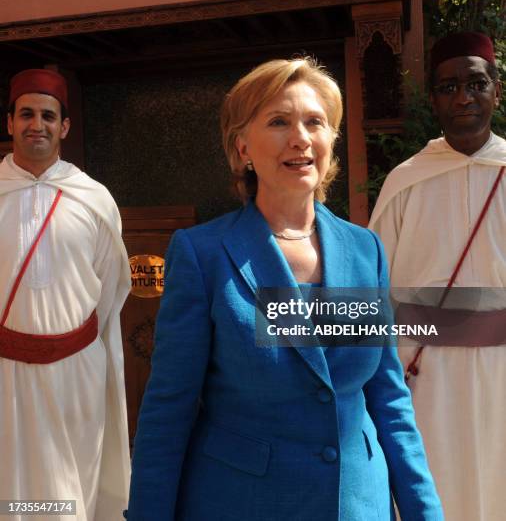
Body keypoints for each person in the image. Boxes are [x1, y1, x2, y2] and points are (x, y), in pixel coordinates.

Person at [127, 58, 442, 520]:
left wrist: (424, 512)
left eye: (315, 122)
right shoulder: (205, 254)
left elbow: (389, 400)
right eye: (278, 121)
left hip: (355, 504)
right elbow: (169, 406)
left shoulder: (363, 251)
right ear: (242, 148)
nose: (300, 137)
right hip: (244, 503)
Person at [369, 32, 505, 521]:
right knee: (433, 494)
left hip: (502, 372)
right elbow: (373, 289)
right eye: (448, 87)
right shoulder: (406, 180)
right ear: (433, 99)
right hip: (425, 375)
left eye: (476, 83)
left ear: (496, 89)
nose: (463, 97)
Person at [0, 69, 131, 520]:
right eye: (27, 115)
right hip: (4, 374)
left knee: (73, 483)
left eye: (48, 116)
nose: (37, 124)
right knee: (10, 485)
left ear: (65, 127)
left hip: (76, 372)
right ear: (10, 122)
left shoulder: (92, 198)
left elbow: (109, 286)